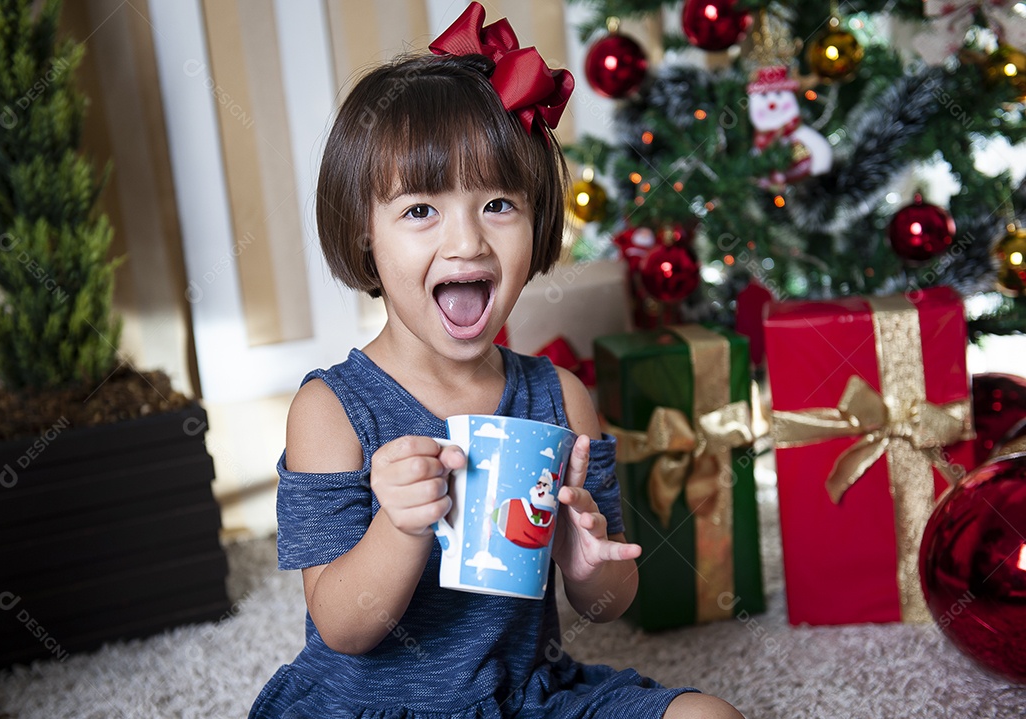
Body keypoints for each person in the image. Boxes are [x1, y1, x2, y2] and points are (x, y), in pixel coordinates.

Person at [250, 4, 744, 718]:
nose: (468, 244)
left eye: (498, 204)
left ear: (537, 217)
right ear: (366, 235)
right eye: (421, 210)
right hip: (373, 706)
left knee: (710, 716)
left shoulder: (561, 399)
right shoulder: (333, 411)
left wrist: (586, 559)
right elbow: (342, 625)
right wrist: (398, 524)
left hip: (522, 693)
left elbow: (606, 602)